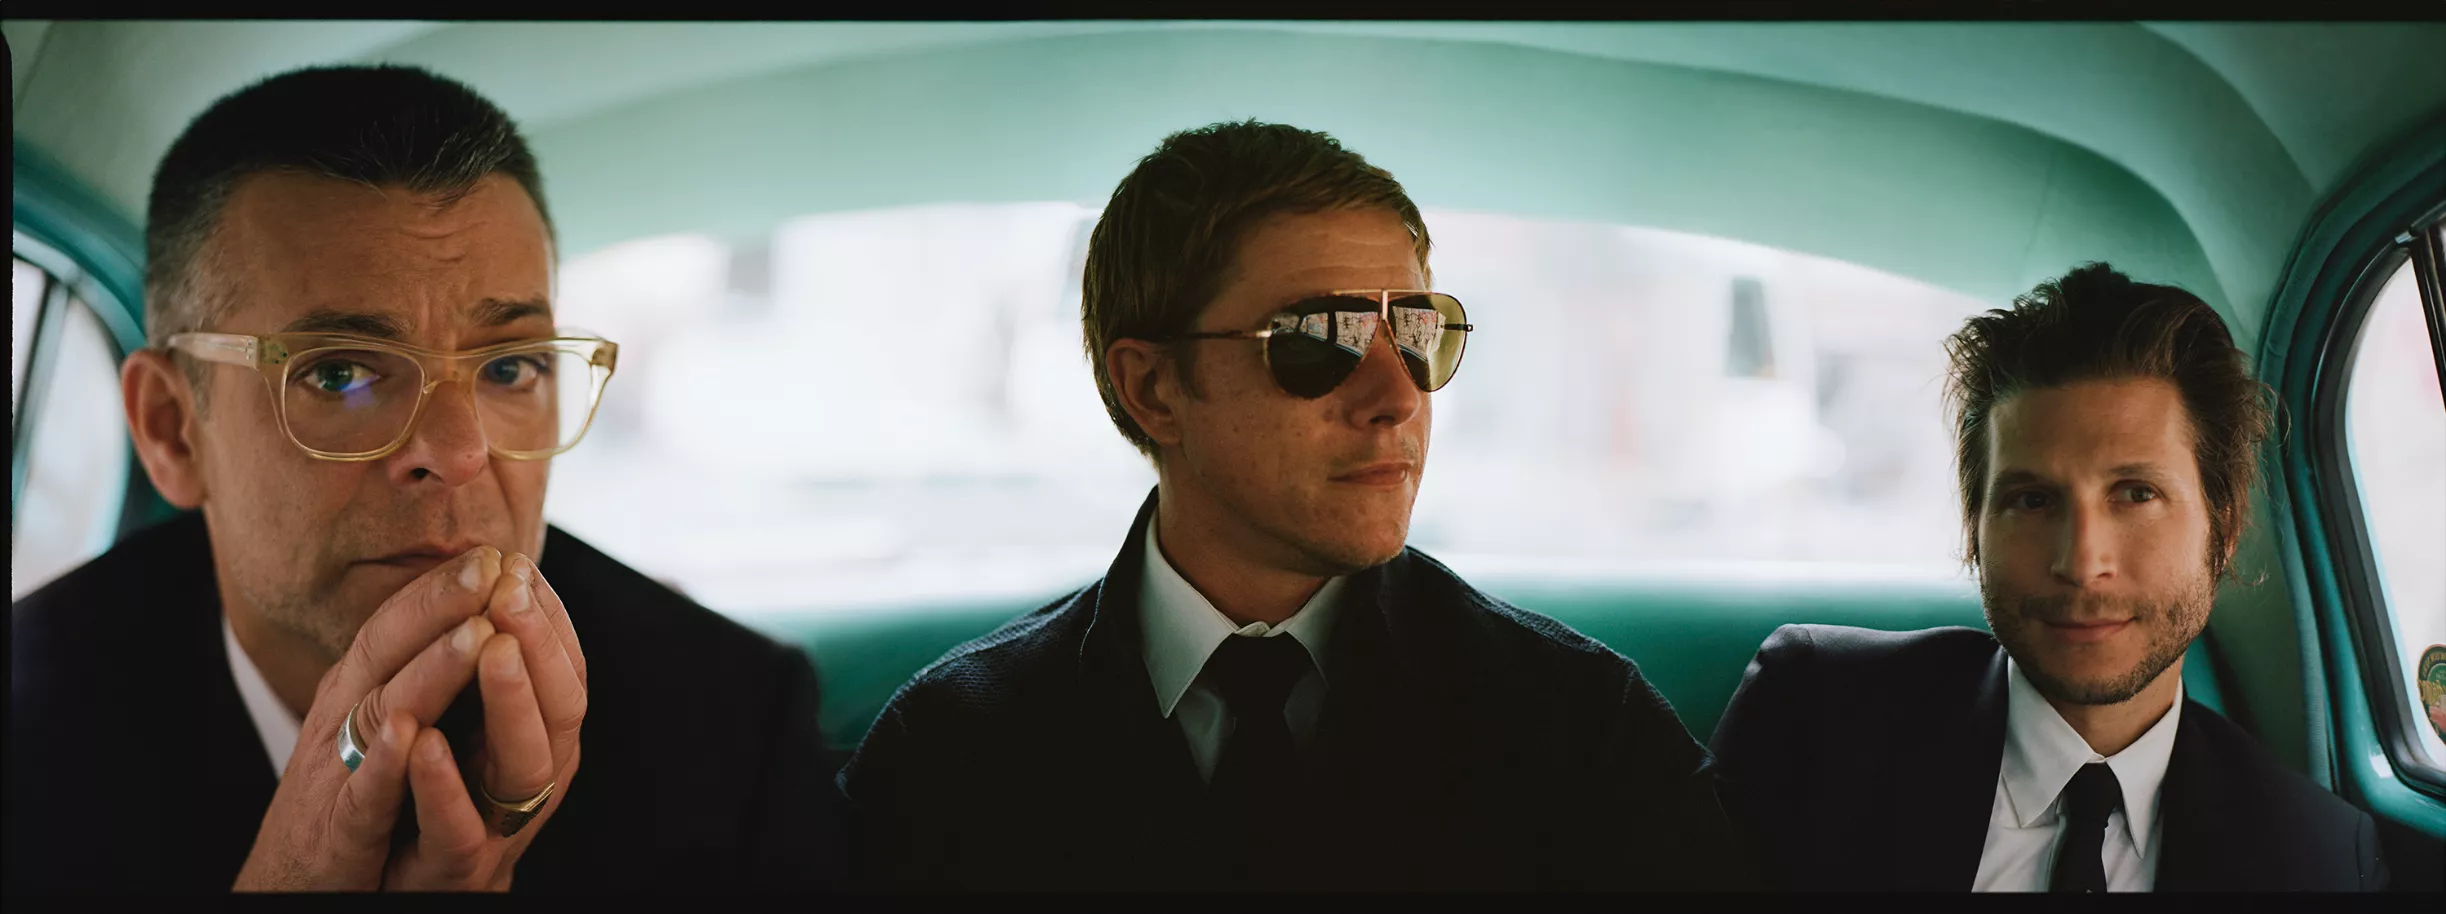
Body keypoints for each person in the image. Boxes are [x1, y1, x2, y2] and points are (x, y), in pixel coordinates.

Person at [838, 120, 1747, 891]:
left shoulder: (1585, 738)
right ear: (1153, 388)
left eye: (1418, 333)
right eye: (1322, 339)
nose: (1399, 396)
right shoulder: (948, 756)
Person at [7, 65, 840, 893]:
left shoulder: (729, 724)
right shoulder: (29, 736)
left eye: (510, 367)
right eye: (340, 374)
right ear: (173, 431)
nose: (459, 452)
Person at [1709, 263, 2390, 891]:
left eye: (2136, 494)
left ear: (2225, 526)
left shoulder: (2322, 857)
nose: (2081, 563)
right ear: (1974, 529)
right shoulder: (1812, 717)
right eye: (2032, 500)